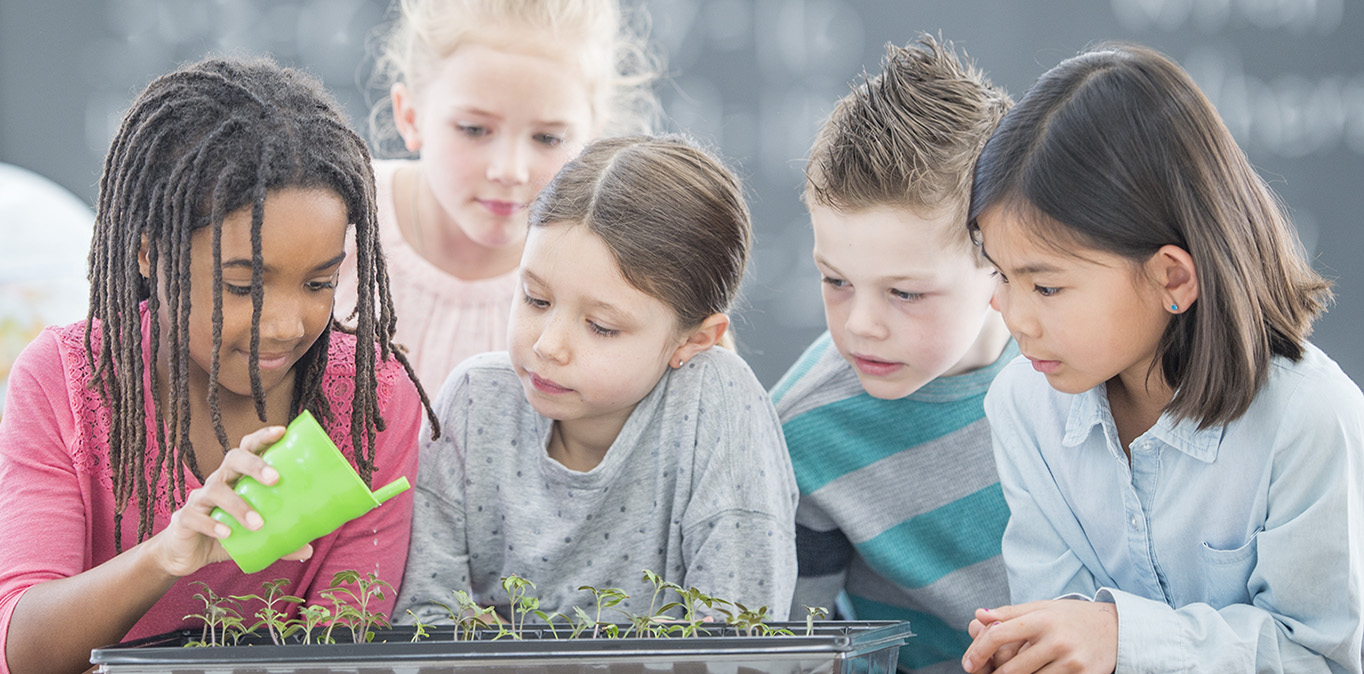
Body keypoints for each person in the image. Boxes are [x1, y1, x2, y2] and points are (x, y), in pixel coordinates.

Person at [0, 57, 435, 674]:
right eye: (243, 287)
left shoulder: (374, 401)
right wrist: (167, 555)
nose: (287, 325)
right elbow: (20, 651)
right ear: (150, 252)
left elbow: (339, 654)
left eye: (320, 283)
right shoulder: (67, 380)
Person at [959, 43, 1362, 674]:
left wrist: (1122, 636)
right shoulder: (1021, 406)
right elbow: (1051, 633)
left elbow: (1324, 658)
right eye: (999, 273)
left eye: (1047, 286)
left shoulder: (1309, 418)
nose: (1012, 315)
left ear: (1172, 278)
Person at [393, 135, 796, 625]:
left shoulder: (718, 404)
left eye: (601, 327)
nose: (548, 346)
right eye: (535, 300)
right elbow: (422, 618)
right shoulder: (476, 401)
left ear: (693, 340)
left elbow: (739, 636)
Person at [766, 35, 1015, 674]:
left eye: (905, 292)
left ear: (999, 262)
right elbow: (798, 655)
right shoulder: (802, 432)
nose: (862, 326)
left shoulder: (1082, 375)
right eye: (835, 281)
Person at [336, 0, 661, 387]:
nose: (509, 170)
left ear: (593, 143)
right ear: (410, 116)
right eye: (475, 129)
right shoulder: (338, 218)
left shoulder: (611, 276)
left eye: (548, 138)